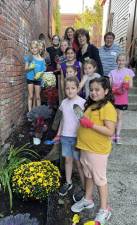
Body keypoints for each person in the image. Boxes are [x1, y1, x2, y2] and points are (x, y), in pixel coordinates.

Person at [71, 77, 117, 225]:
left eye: (97, 90)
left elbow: (110, 131)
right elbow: (84, 125)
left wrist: (90, 125)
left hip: (97, 151)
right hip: (86, 148)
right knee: (88, 175)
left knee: (100, 179)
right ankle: (88, 199)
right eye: (91, 90)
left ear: (106, 91)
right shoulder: (91, 106)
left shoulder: (107, 107)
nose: (93, 92)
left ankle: (105, 209)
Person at [54, 76, 86, 196]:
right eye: (67, 88)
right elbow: (63, 119)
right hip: (65, 136)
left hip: (77, 137)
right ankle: (68, 182)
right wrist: (58, 134)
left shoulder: (82, 102)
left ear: (78, 88)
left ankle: (84, 187)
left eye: (73, 88)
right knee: (68, 160)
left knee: (78, 163)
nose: (70, 90)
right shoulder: (64, 102)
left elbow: (83, 121)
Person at [108, 53, 135, 144]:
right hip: (113, 97)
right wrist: (115, 89)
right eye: (119, 60)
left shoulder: (129, 72)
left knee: (119, 116)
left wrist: (125, 85)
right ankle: (111, 133)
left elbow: (130, 85)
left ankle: (117, 135)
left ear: (126, 61)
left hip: (122, 98)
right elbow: (110, 85)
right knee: (112, 116)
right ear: (116, 61)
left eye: (123, 60)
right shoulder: (112, 72)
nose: (121, 62)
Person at [24, 40, 46, 112]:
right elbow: (25, 69)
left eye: (35, 48)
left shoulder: (42, 60)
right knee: (30, 96)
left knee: (38, 97)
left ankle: (39, 113)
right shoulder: (29, 57)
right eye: (32, 48)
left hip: (38, 79)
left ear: (38, 48)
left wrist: (40, 74)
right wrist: (30, 67)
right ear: (30, 49)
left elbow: (43, 70)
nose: (34, 49)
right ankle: (30, 113)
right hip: (30, 78)